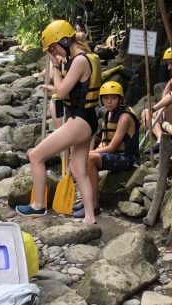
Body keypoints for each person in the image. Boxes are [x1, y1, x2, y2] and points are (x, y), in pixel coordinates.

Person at [16, 19, 102, 224]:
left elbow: (63, 92)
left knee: (36, 155)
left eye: (54, 47)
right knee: (78, 169)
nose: (54, 52)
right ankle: (90, 217)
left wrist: (55, 67)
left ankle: (38, 205)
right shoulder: (87, 58)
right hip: (87, 120)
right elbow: (76, 89)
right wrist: (55, 88)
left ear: (64, 40)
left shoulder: (79, 60)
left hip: (79, 120)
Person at [72, 81, 140, 218]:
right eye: (106, 98)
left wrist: (88, 153)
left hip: (126, 158)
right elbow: (103, 143)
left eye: (113, 98)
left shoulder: (124, 117)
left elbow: (111, 148)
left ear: (120, 99)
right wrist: (88, 153)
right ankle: (86, 200)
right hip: (113, 154)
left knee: (89, 158)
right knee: (84, 158)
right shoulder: (107, 114)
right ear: (101, 100)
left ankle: (94, 206)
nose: (109, 102)